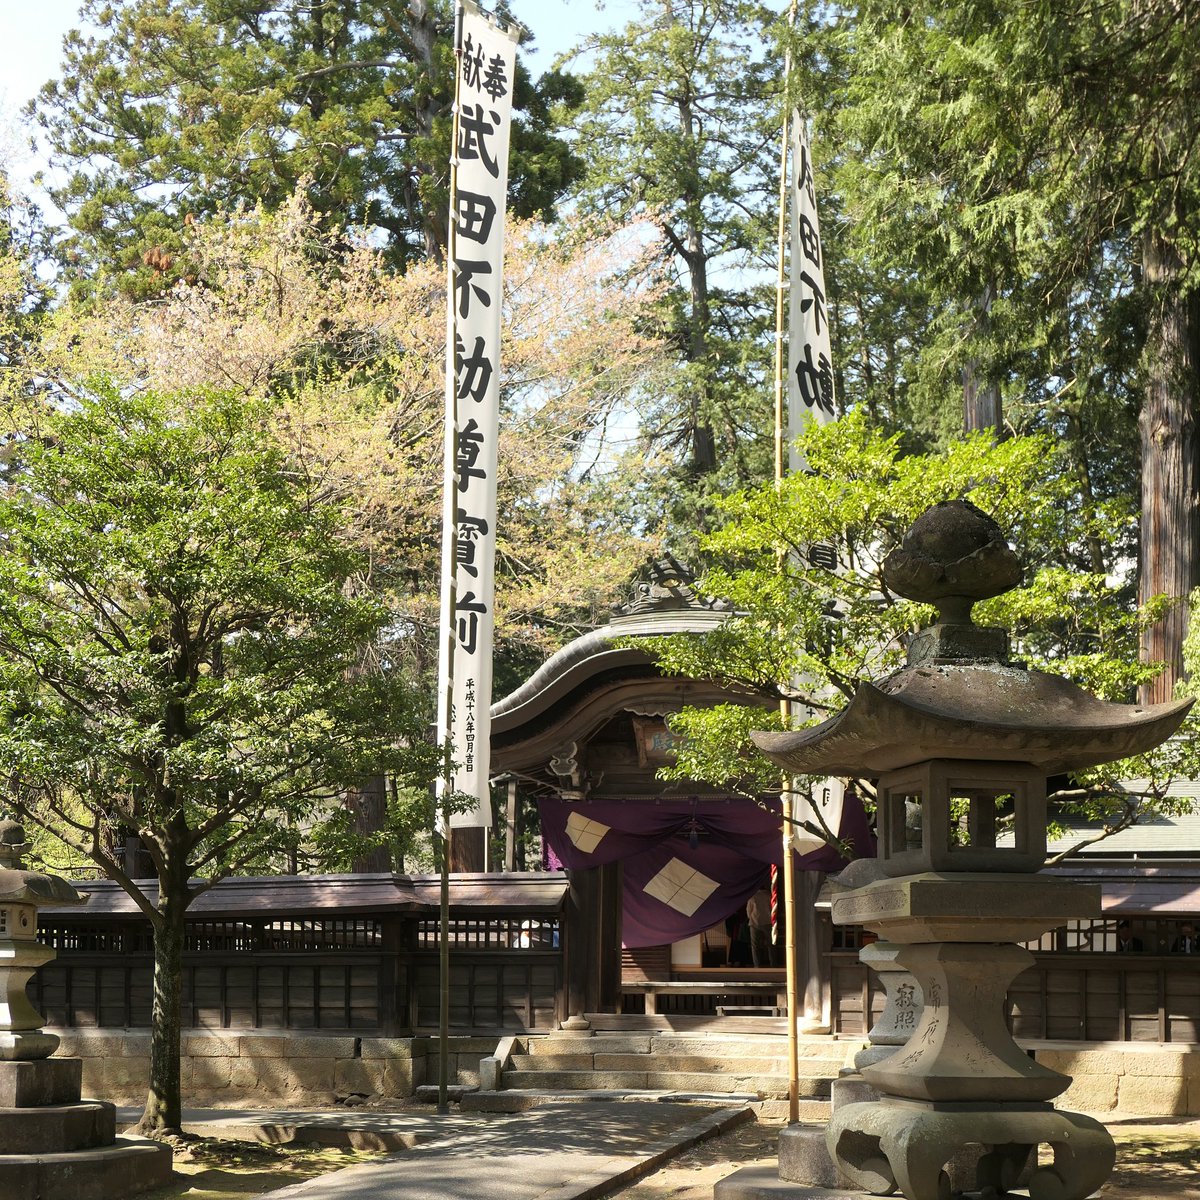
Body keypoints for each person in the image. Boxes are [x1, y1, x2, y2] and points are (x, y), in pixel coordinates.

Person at [746, 885, 772, 968]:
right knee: (771, 945)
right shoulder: (769, 895)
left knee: (755, 946)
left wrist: (751, 918)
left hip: (754, 923)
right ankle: (773, 963)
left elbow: (748, 912)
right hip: (768, 922)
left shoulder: (753, 897)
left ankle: (757, 964)